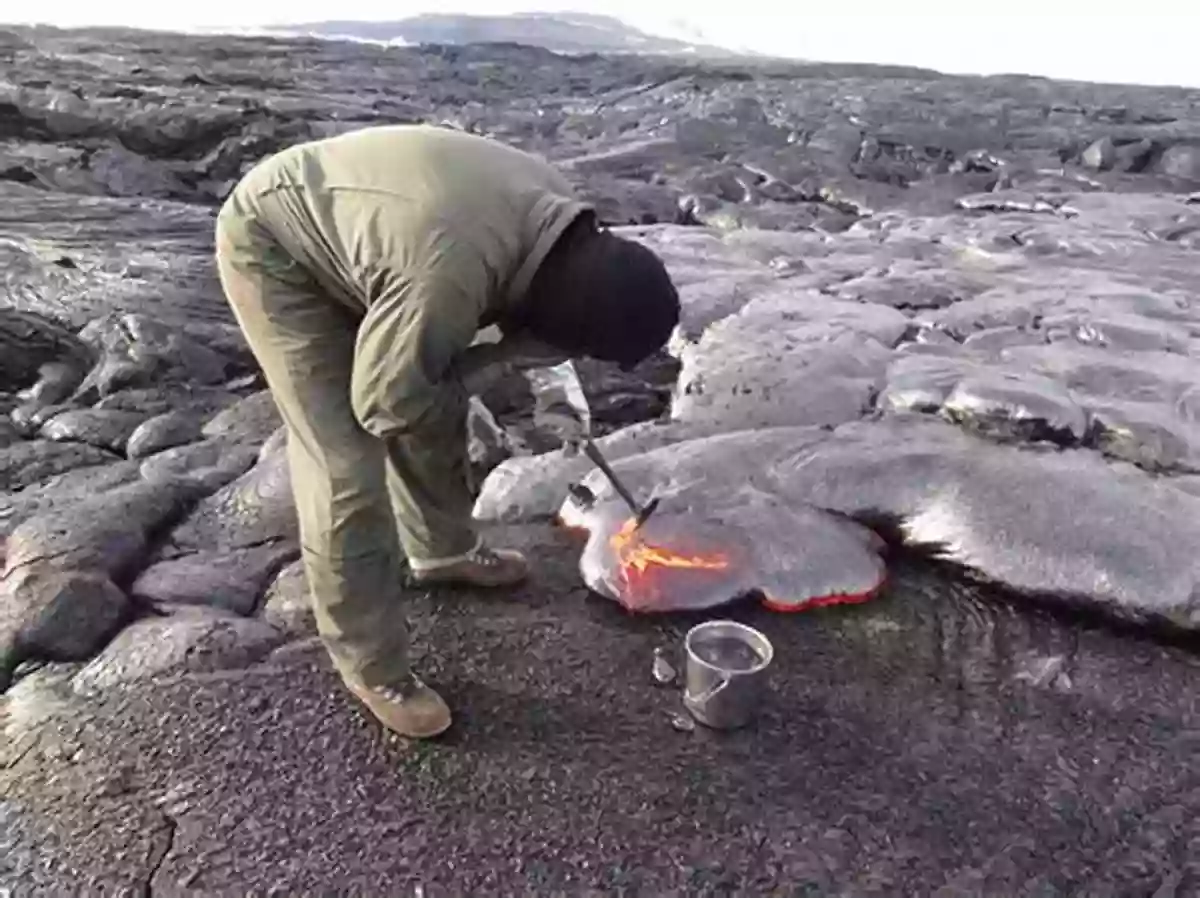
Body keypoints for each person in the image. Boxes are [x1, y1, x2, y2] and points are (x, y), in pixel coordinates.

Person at [213, 123, 681, 739]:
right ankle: (371, 665)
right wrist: (478, 376)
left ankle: (442, 553)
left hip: (389, 242)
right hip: (279, 246)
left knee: (435, 397)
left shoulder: (564, 231)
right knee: (347, 463)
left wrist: (544, 389)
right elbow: (383, 404)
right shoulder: (449, 274)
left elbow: (541, 318)